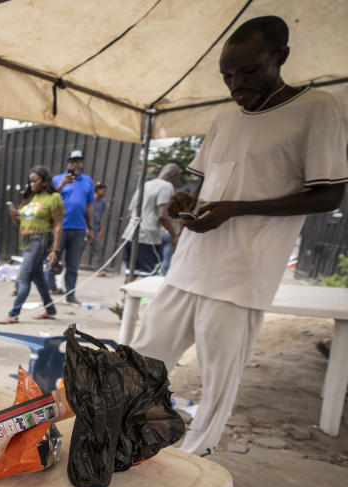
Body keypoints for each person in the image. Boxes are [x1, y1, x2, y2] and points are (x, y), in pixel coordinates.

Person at [130, 16, 348, 456]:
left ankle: (198, 458)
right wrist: (184, 201)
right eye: (228, 75)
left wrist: (238, 208)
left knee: (216, 379)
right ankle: (118, 427)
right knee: (139, 356)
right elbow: (211, 185)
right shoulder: (226, 119)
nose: (236, 84)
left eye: (248, 71)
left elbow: (329, 194)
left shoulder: (317, 108)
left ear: (280, 57)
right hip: (190, 263)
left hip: (241, 275)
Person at [0, 165, 63, 323]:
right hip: (26, 242)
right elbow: (21, 223)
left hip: (40, 240)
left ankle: (13, 314)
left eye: (36, 180)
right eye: (30, 181)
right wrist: (14, 215)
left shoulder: (53, 197)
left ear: (44, 181)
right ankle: (50, 309)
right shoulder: (30, 198)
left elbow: (57, 225)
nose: (32, 184)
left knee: (24, 276)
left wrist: (55, 250)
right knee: (38, 277)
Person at [121, 163, 181, 279]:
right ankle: (138, 297)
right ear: (173, 176)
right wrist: (174, 235)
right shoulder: (166, 186)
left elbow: (129, 213)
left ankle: (125, 297)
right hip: (148, 237)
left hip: (130, 233)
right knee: (147, 272)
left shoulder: (145, 184)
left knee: (131, 270)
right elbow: (162, 214)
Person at [50, 149, 95, 303]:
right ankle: (50, 291)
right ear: (68, 163)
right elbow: (50, 199)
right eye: (72, 161)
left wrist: (90, 227)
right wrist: (62, 184)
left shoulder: (88, 181)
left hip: (79, 228)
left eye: (78, 161)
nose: (75, 164)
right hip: (60, 227)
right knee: (53, 260)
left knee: (73, 264)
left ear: (81, 163)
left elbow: (89, 206)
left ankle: (70, 295)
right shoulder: (57, 179)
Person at [91, 183, 111, 276]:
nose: (105, 193)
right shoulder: (89, 199)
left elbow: (101, 217)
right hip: (86, 228)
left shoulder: (102, 203)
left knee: (98, 248)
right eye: (104, 191)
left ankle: (99, 269)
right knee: (79, 248)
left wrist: (101, 229)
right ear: (98, 190)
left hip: (96, 229)